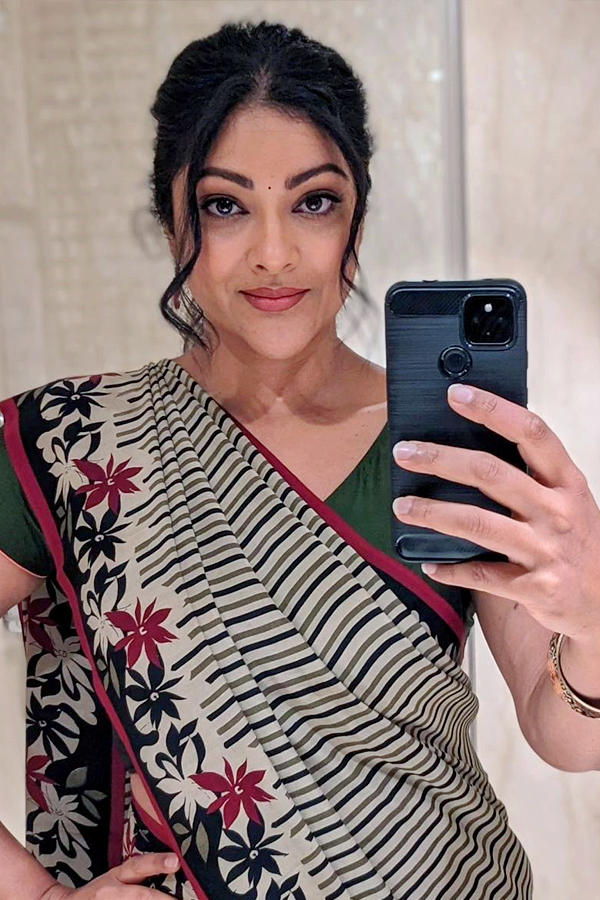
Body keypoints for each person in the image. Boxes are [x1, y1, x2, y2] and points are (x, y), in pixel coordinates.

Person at [1, 18, 600, 900]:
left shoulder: (452, 439)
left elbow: (565, 735)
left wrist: (593, 614)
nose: (275, 253)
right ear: (171, 219)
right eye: (226, 205)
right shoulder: (74, 445)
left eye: (314, 202)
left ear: (357, 216)